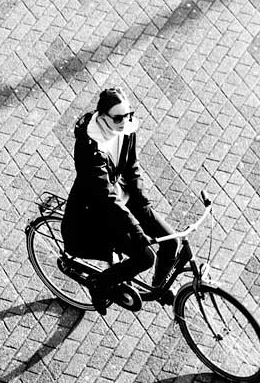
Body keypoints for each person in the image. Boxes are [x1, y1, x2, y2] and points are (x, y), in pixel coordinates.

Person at [61, 88, 180, 314]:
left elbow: (131, 167)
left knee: (171, 242)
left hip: (123, 197)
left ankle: (158, 289)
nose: (124, 122)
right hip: (99, 209)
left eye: (127, 115)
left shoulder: (126, 129)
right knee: (145, 257)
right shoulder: (89, 146)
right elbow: (104, 196)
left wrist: (143, 204)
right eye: (117, 118)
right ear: (102, 116)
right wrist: (136, 229)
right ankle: (100, 285)